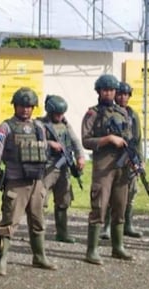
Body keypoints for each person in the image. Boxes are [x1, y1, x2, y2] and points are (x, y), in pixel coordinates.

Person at [0, 87, 56, 275]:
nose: (26, 110)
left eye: (29, 106)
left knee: (39, 220)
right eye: (22, 106)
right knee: (9, 223)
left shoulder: (39, 127)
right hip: (16, 182)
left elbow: (43, 150)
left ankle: (39, 256)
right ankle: (2, 261)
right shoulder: (5, 127)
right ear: (15, 106)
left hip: (36, 181)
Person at [81, 74, 135, 264]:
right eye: (105, 90)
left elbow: (130, 139)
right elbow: (86, 141)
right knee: (99, 207)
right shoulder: (92, 114)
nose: (109, 93)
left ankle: (117, 247)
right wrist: (108, 139)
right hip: (104, 166)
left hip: (123, 165)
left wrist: (134, 158)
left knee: (120, 205)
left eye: (112, 90)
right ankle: (92, 250)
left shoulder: (123, 113)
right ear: (99, 91)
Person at [38, 94, 85, 243]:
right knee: (41, 200)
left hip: (64, 166)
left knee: (64, 199)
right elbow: (34, 141)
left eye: (62, 114)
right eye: (57, 114)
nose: (60, 116)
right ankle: (38, 232)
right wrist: (50, 143)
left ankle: (62, 232)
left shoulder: (65, 124)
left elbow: (75, 141)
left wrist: (80, 157)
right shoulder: (40, 124)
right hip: (48, 167)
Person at [101, 81, 144, 240]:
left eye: (125, 94)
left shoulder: (133, 114)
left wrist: (140, 159)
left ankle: (127, 225)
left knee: (130, 192)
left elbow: (138, 138)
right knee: (111, 193)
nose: (122, 97)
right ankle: (106, 226)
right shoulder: (109, 112)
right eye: (119, 94)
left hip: (130, 155)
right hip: (113, 156)